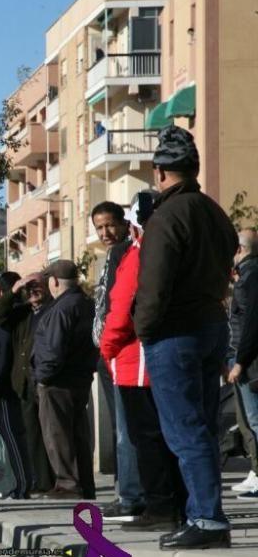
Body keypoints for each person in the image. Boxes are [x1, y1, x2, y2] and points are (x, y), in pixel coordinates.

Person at [136, 127, 238, 549]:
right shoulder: (213, 211)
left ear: (160, 172)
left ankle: (206, 518)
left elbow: (154, 285)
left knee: (185, 431)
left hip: (174, 332)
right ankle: (206, 513)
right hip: (210, 324)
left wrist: (144, 327)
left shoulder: (166, 218)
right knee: (203, 426)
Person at [100, 200, 187, 530]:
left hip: (135, 360)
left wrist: (108, 348)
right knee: (168, 436)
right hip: (163, 355)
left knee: (146, 439)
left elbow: (121, 308)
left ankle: (160, 507)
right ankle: (175, 504)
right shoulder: (174, 249)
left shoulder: (140, 252)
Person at [90, 200, 143, 521]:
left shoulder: (127, 252)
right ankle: (125, 489)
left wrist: (109, 345)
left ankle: (130, 494)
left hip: (121, 350)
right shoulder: (107, 257)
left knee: (127, 429)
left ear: (123, 223)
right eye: (99, 227)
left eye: (110, 225)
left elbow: (120, 304)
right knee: (120, 428)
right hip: (107, 352)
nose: (105, 232)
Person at [32, 259, 98, 500]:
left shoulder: (61, 308)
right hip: (80, 377)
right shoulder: (86, 303)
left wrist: (42, 377)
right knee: (78, 433)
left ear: (55, 281)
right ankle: (85, 484)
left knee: (57, 433)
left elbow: (53, 348)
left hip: (58, 381)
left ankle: (67, 484)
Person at [0, 272, 55, 494]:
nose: (34, 291)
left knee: (50, 434)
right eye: (31, 287)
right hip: (24, 383)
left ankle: (53, 481)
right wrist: (14, 291)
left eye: (39, 286)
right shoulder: (22, 313)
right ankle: (39, 481)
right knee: (31, 434)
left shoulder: (53, 309)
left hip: (46, 382)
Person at [0, 275, 30, 499]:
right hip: (17, 385)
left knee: (12, 437)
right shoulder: (25, 312)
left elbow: (1, 356)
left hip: (6, 388)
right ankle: (23, 483)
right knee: (19, 436)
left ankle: (22, 485)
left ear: (0, 292)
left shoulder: (5, 319)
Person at [227, 228, 258, 495]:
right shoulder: (247, 276)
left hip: (249, 361)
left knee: (254, 418)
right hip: (245, 358)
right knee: (248, 419)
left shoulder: (250, 277)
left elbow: (251, 325)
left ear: (239, 250)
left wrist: (240, 362)